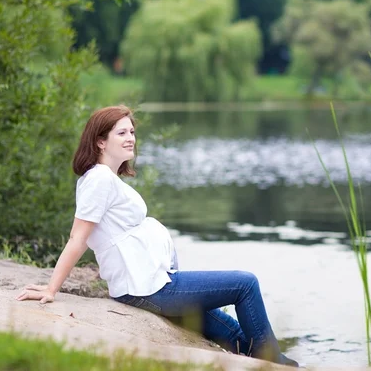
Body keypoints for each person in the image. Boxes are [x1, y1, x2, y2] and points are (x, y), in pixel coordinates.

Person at [16, 105, 298, 367]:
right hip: (149, 287)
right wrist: (51, 289)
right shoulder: (99, 179)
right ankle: (272, 362)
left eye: (132, 132)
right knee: (245, 284)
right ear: (101, 141)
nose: (131, 139)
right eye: (122, 133)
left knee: (234, 332)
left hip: (154, 281)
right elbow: (77, 237)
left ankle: (278, 363)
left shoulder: (105, 179)